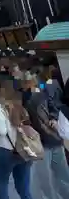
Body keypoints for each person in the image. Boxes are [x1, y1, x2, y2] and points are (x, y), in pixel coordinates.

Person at [23, 70, 69, 199]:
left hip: (53, 139)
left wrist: (54, 118)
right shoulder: (23, 98)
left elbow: (53, 106)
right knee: (46, 178)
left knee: (62, 174)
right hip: (41, 143)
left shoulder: (42, 93)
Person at [0, 78, 33, 199]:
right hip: (24, 148)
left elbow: (2, 130)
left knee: (2, 183)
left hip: (6, 149)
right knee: (23, 187)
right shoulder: (22, 104)